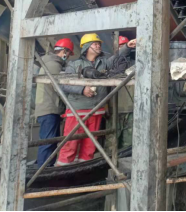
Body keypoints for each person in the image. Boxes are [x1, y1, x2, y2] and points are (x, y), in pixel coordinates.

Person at [56, 33, 135, 165]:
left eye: (99, 44)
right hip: (78, 110)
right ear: (87, 46)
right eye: (95, 44)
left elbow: (116, 57)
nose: (98, 46)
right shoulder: (74, 64)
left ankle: (84, 168)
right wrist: (82, 90)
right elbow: (64, 84)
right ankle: (62, 168)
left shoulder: (104, 62)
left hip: (96, 109)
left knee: (90, 145)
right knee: (71, 143)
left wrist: (127, 46)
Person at [35, 38, 74, 167]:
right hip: (49, 108)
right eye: (69, 53)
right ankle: (44, 169)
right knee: (48, 141)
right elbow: (59, 88)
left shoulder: (50, 62)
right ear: (64, 51)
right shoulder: (54, 64)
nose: (68, 57)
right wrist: (71, 101)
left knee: (50, 140)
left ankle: (45, 167)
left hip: (48, 107)